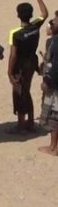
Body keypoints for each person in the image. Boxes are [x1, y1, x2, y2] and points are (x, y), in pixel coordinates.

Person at [7, 0, 48, 134]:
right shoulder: (35, 26)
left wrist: (9, 72)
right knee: (26, 90)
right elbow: (45, 13)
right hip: (32, 62)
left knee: (19, 93)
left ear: (18, 15)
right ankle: (30, 122)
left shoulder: (15, 33)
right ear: (31, 15)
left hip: (20, 66)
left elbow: (13, 55)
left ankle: (21, 125)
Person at [39, 11, 58, 156]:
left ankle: (53, 147)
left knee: (54, 115)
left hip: (55, 84)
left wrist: (47, 80)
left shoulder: (56, 42)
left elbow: (56, 66)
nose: (52, 22)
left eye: (55, 20)